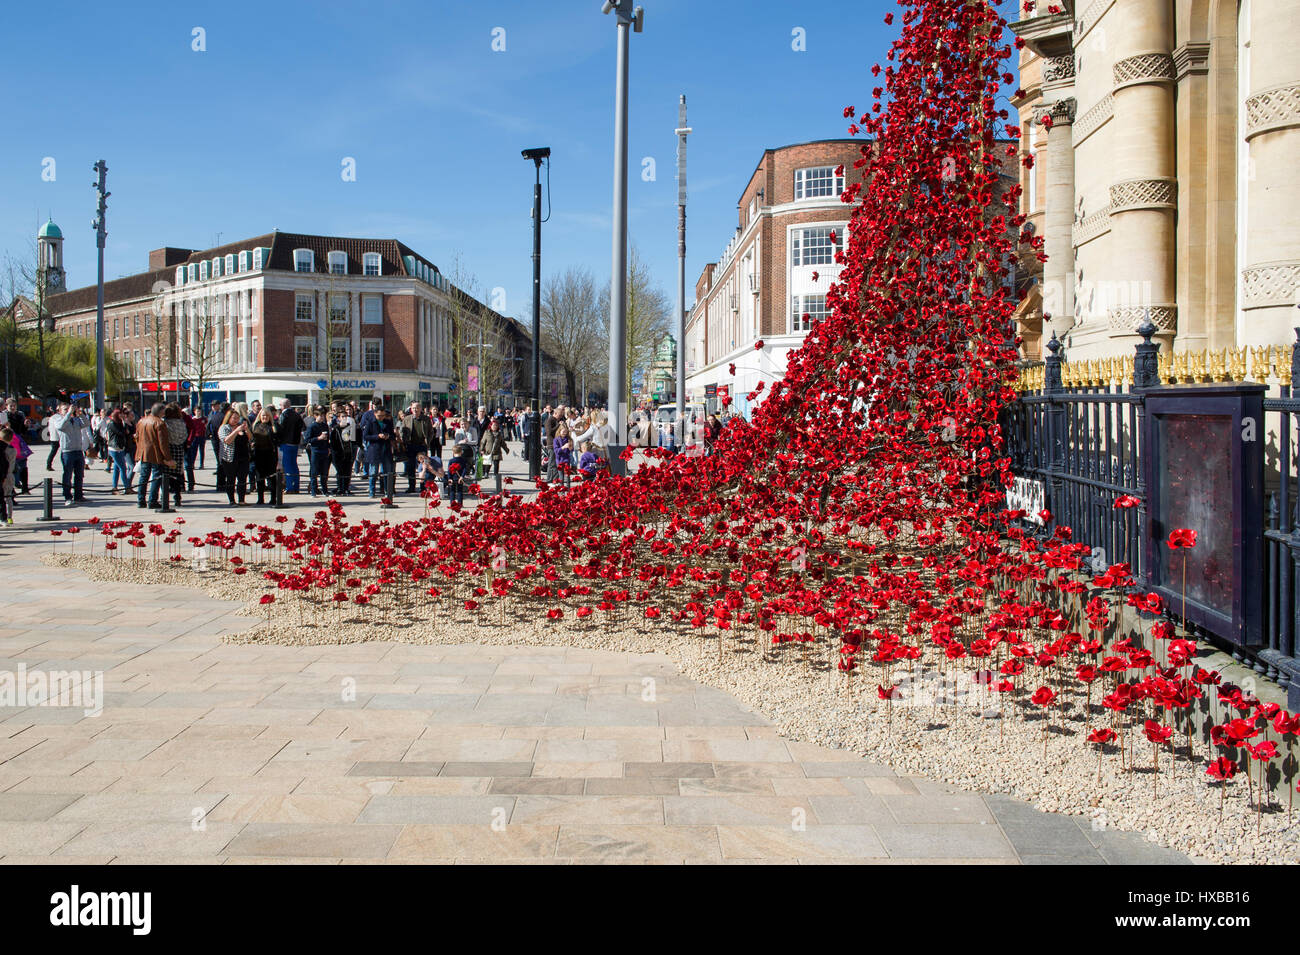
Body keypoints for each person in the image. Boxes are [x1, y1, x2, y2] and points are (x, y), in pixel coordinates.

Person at [134, 403, 175, 509]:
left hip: (144, 453)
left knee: (143, 477)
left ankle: (141, 500)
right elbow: (163, 443)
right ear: (161, 411)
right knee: (156, 477)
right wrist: (168, 458)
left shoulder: (141, 421)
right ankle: (152, 500)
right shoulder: (159, 423)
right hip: (155, 454)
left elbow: (137, 437)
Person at [51, 402, 93, 506]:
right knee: (67, 475)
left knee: (79, 475)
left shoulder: (75, 420)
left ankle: (79, 495)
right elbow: (60, 426)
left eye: (69, 409)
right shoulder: (58, 420)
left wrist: (80, 414)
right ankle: (67, 496)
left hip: (78, 450)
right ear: (60, 411)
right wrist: (68, 413)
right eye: (65, 409)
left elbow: (87, 424)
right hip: (67, 451)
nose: (68, 411)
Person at [217, 406, 250, 505]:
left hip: (243, 456)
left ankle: (241, 500)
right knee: (231, 479)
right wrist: (235, 431)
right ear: (229, 418)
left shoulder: (241, 426)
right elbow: (227, 440)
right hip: (229, 457)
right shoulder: (224, 428)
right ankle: (231, 500)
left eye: (237, 418)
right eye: (233, 418)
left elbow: (250, 438)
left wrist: (247, 430)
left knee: (242, 478)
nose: (236, 420)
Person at [400, 402, 435, 494]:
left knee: (423, 467)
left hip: (421, 446)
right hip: (410, 445)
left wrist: (427, 441)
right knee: (410, 467)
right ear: (411, 409)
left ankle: (423, 486)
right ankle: (411, 486)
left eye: (417, 408)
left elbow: (431, 432)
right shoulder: (407, 419)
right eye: (414, 408)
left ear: (421, 409)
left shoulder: (426, 419)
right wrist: (404, 441)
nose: (415, 410)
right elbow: (402, 431)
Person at [362, 404, 395, 498]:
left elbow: (393, 435)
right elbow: (365, 436)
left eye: (383, 415)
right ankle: (372, 491)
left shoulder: (388, 422)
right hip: (374, 449)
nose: (381, 417)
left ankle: (387, 491)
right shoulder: (370, 422)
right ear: (375, 414)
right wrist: (377, 436)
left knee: (387, 472)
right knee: (373, 472)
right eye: (379, 416)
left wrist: (388, 436)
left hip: (386, 449)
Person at [250, 408, 281, 506]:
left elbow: (278, 441)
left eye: (267, 416)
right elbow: (251, 439)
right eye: (263, 415)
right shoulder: (255, 426)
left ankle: (273, 498)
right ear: (260, 416)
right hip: (258, 454)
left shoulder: (273, 426)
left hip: (270, 454)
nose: (265, 417)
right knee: (259, 478)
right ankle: (260, 498)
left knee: (271, 478)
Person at [160, 403, 187, 508]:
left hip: (168, 449)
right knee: (177, 474)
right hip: (179, 449)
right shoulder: (181, 423)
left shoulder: (164, 423)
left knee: (165, 474)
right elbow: (185, 435)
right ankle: (177, 497)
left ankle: (164, 497)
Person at [102, 409, 133, 495]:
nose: (122, 416)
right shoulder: (112, 423)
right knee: (123, 468)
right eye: (120, 414)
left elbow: (127, 431)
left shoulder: (120, 423)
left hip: (120, 448)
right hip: (115, 449)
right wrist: (124, 425)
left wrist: (124, 423)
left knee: (117, 469)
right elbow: (121, 433)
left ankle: (114, 487)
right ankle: (127, 487)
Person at [276, 398, 304, 493]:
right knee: (294, 465)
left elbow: (280, 429)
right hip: (295, 444)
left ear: (282, 406)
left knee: (287, 466)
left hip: (285, 443)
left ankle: (289, 487)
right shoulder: (297, 415)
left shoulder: (283, 415)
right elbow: (302, 427)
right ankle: (296, 486)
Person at [329, 402, 356, 495]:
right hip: (338, 454)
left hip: (348, 453)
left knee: (347, 472)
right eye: (342, 416)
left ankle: (346, 488)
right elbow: (333, 443)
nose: (344, 418)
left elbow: (353, 440)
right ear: (338, 418)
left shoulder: (350, 428)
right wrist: (335, 454)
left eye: (345, 416)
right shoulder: (335, 429)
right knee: (340, 472)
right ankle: (340, 488)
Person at [305, 406, 332, 497]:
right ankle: (313, 490)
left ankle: (325, 490)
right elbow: (308, 439)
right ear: (315, 416)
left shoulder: (325, 425)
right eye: (320, 416)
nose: (322, 417)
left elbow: (328, 439)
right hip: (315, 450)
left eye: (323, 415)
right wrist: (318, 438)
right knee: (314, 471)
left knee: (324, 472)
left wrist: (328, 448)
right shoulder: (312, 426)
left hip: (324, 450)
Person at [0, 427, 14, 524]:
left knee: (3, 498)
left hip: (4, 475)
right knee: (8, 498)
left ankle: (4, 517)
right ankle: (8, 517)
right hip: (8, 474)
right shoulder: (12, 450)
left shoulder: (3, 449)